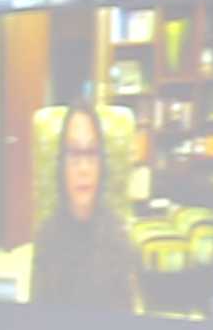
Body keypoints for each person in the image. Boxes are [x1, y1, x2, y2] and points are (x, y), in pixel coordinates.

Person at [27, 102, 141, 314]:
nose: (84, 168)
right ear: (61, 164)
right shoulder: (46, 238)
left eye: (91, 153)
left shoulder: (119, 238)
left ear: (102, 163)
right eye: (74, 154)